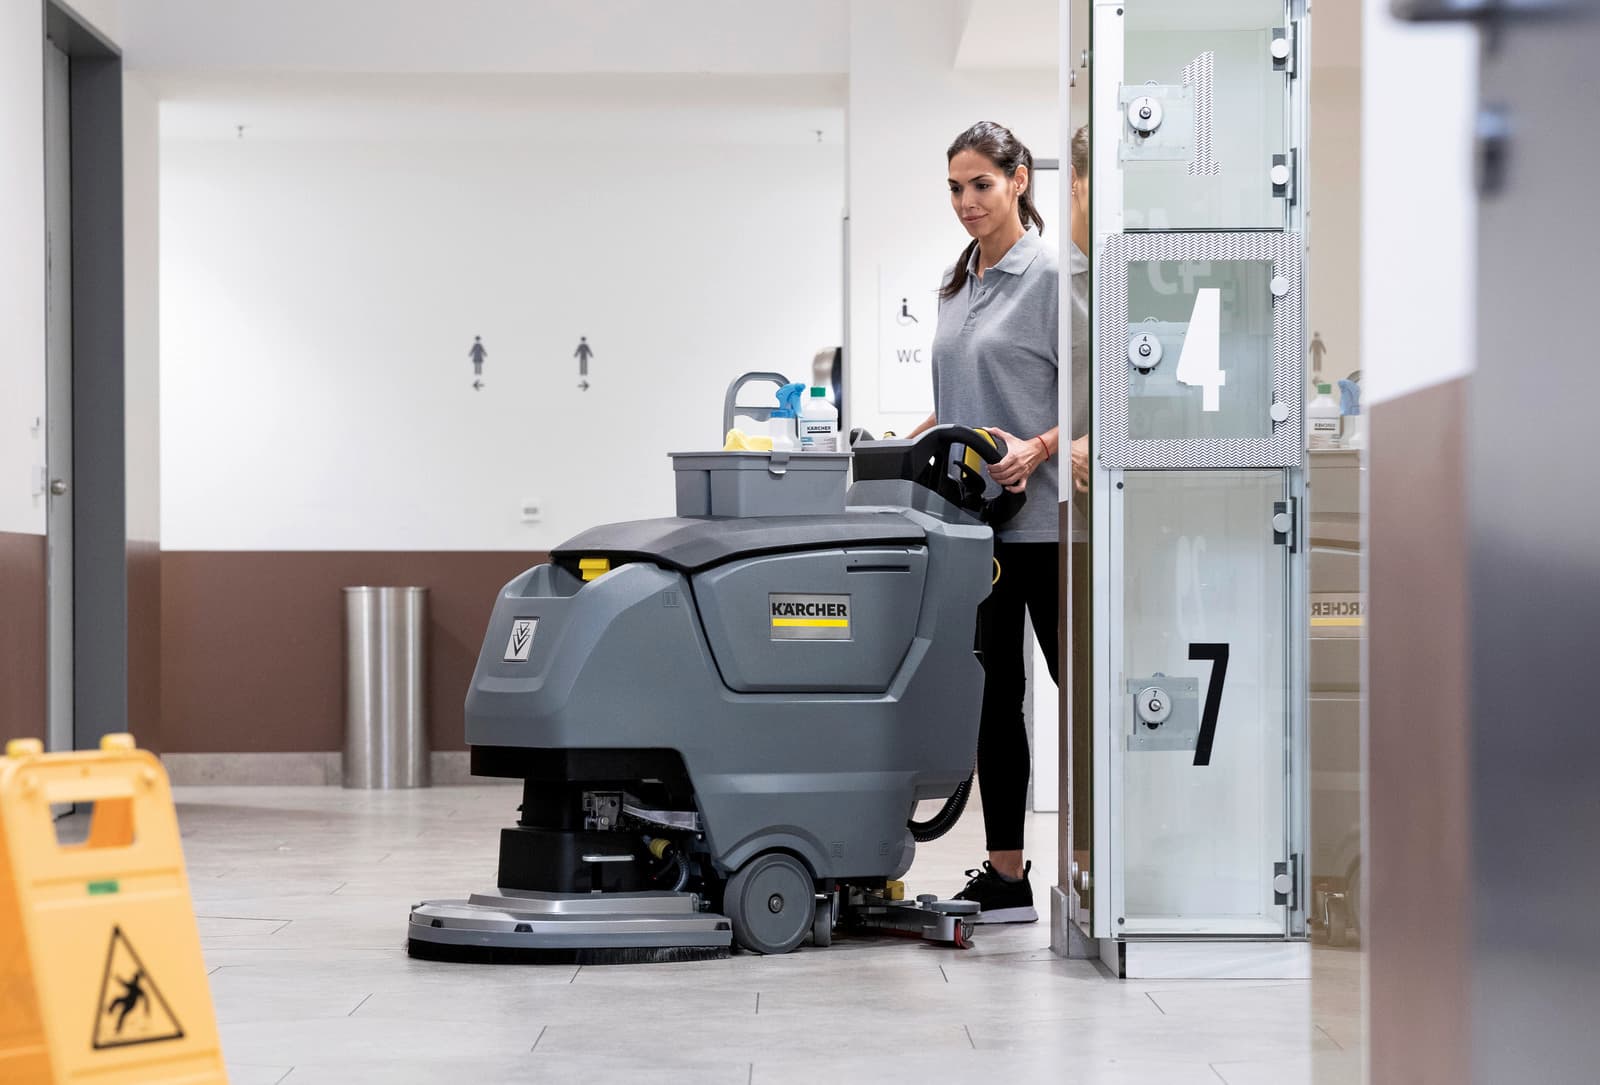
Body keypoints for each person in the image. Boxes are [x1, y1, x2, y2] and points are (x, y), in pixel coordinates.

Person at [905, 120, 1082, 923]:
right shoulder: (959, 283)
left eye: (980, 184)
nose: (966, 201)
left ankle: (1100, 863)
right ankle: (1007, 876)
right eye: (954, 187)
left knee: (1079, 694)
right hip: (973, 534)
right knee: (993, 698)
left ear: (1018, 180)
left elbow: (1099, 401)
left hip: (1047, 528)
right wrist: (900, 444)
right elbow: (958, 402)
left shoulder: (1051, 276)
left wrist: (1038, 447)